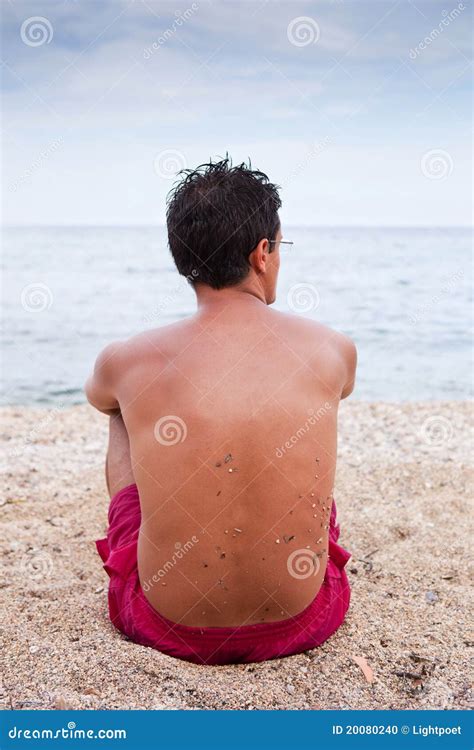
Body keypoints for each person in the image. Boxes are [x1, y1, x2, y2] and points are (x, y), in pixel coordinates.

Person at [86, 157, 357, 665]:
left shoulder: (127, 359)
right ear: (262, 253)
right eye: (281, 247)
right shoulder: (331, 348)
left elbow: (99, 397)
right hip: (305, 618)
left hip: (163, 623)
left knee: (124, 408)